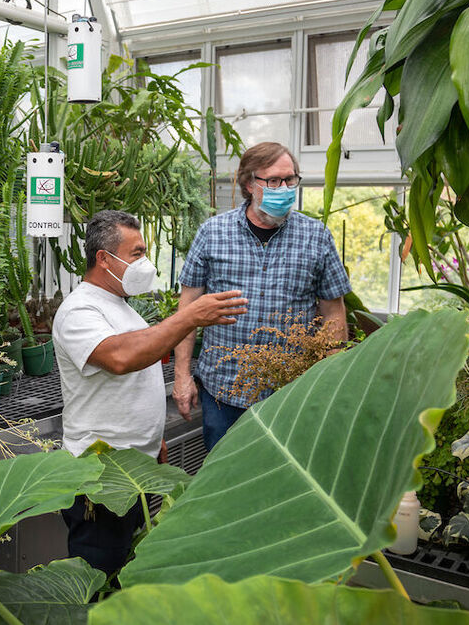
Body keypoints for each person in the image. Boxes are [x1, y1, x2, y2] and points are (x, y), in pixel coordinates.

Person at [52, 209, 248, 577]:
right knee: (98, 577)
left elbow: (137, 369)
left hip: (135, 468)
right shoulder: (79, 309)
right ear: (104, 259)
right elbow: (121, 358)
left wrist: (152, 441)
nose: (145, 262)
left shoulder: (119, 305)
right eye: (137, 253)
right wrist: (189, 316)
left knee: (126, 566)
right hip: (101, 478)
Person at [173, 142, 351, 451]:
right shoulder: (213, 233)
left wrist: (329, 381)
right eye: (273, 181)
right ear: (248, 183)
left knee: (283, 483)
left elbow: (334, 313)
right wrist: (181, 376)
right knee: (224, 481)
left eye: (290, 179)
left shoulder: (316, 236)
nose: (284, 188)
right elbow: (186, 310)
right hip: (223, 391)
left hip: (291, 393)